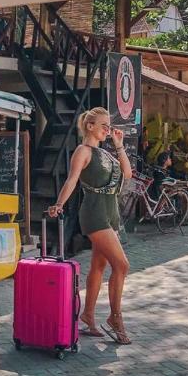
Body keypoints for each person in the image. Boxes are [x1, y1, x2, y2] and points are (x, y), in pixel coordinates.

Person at [48, 107, 133, 345]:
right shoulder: (83, 151)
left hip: (110, 213)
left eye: (109, 125)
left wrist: (118, 144)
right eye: (104, 126)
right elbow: (72, 180)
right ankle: (115, 317)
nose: (108, 129)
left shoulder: (106, 153)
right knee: (122, 265)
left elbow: (127, 174)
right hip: (94, 214)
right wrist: (58, 204)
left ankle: (87, 315)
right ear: (90, 127)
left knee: (98, 266)